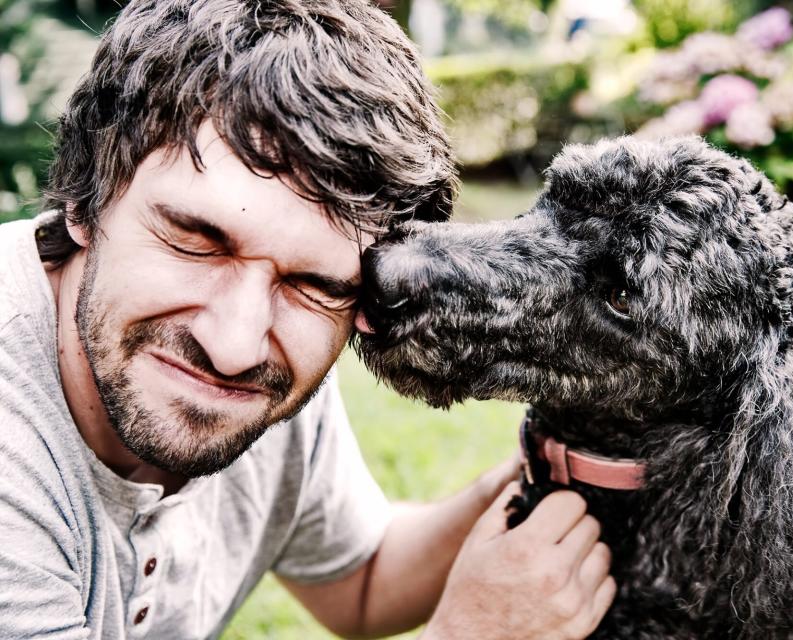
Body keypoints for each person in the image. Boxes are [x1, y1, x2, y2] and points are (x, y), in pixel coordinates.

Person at [0, 1, 616, 638]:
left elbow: (364, 582)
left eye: (315, 284)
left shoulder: (270, 361)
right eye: (197, 242)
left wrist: (542, 473)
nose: (236, 346)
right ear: (82, 197)